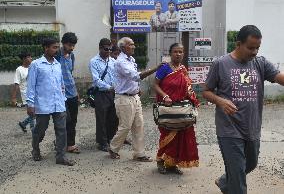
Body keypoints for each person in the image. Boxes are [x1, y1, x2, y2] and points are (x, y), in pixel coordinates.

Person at [202, 25, 284, 194]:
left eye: (257, 48)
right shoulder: (220, 64)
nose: (254, 52)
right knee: (239, 178)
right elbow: (206, 91)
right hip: (229, 129)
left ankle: (225, 181)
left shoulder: (260, 63)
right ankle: (232, 184)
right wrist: (220, 101)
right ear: (238, 44)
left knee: (250, 164)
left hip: (252, 127)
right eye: (250, 48)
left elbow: (279, 77)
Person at [108, 37, 160, 161]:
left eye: (133, 44)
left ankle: (139, 153)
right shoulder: (120, 62)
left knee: (138, 125)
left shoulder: (130, 59)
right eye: (130, 45)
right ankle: (113, 148)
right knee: (125, 126)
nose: (134, 47)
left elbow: (130, 79)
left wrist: (136, 89)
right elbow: (136, 76)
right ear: (123, 47)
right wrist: (156, 68)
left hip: (134, 96)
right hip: (123, 98)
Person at [26, 38, 74, 166]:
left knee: (62, 130)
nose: (56, 50)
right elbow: (31, 86)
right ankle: (35, 149)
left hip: (58, 103)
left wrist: (63, 99)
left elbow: (61, 84)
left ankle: (61, 156)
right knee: (40, 130)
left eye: (57, 47)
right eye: (54, 47)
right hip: (43, 104)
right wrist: (30, 104)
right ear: (46, 48)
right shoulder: (36, 64)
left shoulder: (57, 64)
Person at [154, 43, 199, 175]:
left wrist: (193, 100)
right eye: (175, 52)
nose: (178, 54)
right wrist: (165, 96)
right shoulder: (164, 68)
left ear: (183, 53)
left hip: (181, 109)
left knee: (181, 136)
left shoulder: (183, 69)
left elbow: (188, 88)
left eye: (180, 52)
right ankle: (161, 161)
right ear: (170, 53)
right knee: (166, 134)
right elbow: (155, 85)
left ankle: (173, 163)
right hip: (167, 108)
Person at [89, 38, 118, 152]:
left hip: (113, 93)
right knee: (101, 118)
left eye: (110, 49)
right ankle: (102, 142)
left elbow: (117, 76)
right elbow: (96, 80)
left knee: (113, 117)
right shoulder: (94, 61)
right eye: (106, 49)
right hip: (101, 93)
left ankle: (110, 139)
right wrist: (109, 87)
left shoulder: (113, 61)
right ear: (100, 48)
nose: (109, 51)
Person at [56, 32, 80, 154]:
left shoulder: (72, 56)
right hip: (61, 95)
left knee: (73, 120)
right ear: (63, 43)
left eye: (73, 45)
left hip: (72, 93)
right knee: (66, 120)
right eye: (70, 45)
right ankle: (60, 143)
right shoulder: (56, 56)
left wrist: (76, 91)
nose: (71, 48)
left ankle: (70, 144)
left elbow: (70, 74)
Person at [11, 52, 35, 132]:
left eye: (31, 57)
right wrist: (14, 98)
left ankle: (23, 124)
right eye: (29, 57)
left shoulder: (33, 67)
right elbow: (16, 84)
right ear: (24, 59)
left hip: (35, 93)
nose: (31, 58)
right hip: (26, 94)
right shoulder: (19, 69)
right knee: (32, 112)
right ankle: (33, 130)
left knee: (36, 111)